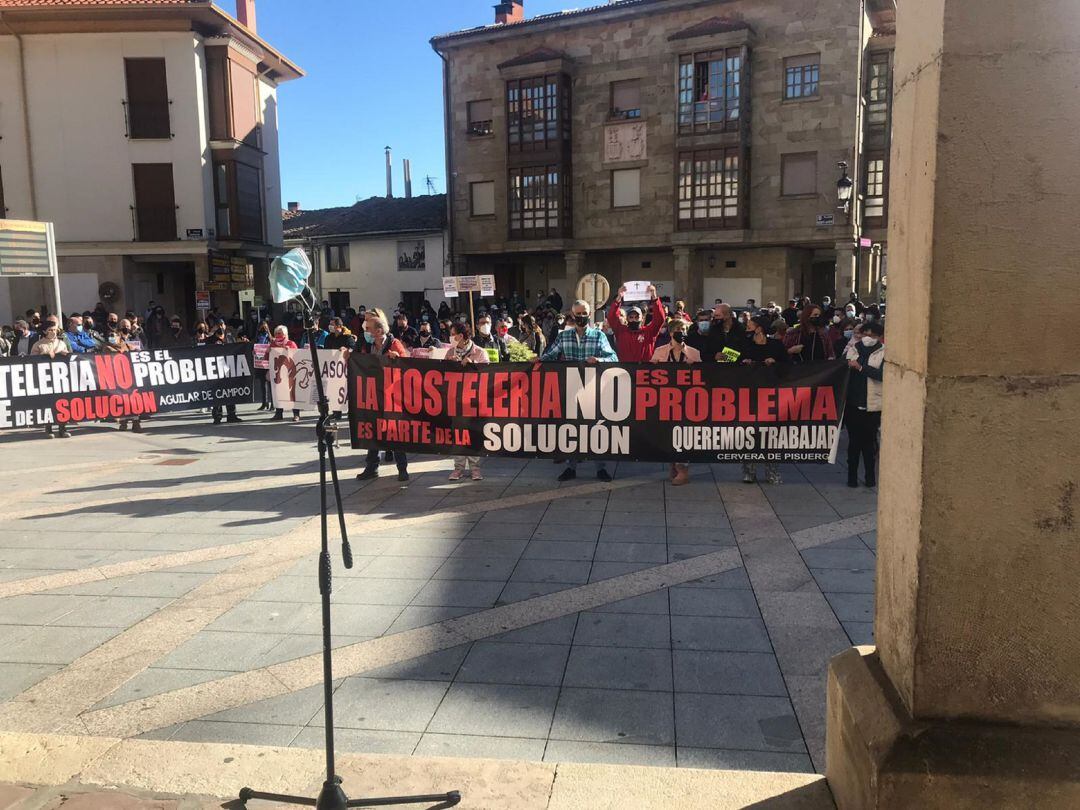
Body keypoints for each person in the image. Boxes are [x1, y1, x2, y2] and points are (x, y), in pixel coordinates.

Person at [542, 299, 618, 481]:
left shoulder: (599, 336)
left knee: (595, 428)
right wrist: (537, 361)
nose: (582, 317)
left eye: (585, 314)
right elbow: (550, 355)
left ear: (590, 315)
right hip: (571, 389)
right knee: (572, 429)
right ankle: (571, 467)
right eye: (578, 314)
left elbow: (613, 357)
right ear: (572, 315)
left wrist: (600, 360)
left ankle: (600, 467)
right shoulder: (563, 336)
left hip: (593, 390)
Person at [356, 313, 410, 482]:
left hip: (392, 395)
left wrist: (398, 358)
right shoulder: (366, 344)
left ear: (379, 331)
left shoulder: (394, 343)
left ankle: (402, 469)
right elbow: (356, 358)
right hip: (373, 394)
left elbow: (407, 361)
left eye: (369, 329)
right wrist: (347, 355)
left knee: (394, 432)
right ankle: (372, 467)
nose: (366, 332)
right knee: (373, 431)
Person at [651, 317, 701, 485]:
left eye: (685, 330)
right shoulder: (660, 351)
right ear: (672, 333)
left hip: (687, 399)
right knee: (668, 432)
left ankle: (683, 469)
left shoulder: (694, 352)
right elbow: (649, 374)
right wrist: (655, 365)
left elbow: (704, 376)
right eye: (680, 330)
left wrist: (695, 366)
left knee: (684, 432)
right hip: (666, 398)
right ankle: (673, 464)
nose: (683, 333)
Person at [740, 314, 789, 485]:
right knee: (749, 433)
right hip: (750, 394)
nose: (747, 327)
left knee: (772, 434)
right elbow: (728, 360)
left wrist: (775, 361)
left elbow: (788, 364)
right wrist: (742, 362)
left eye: (750, 324)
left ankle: (772, 472)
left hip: (772, 394)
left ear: (759, 328)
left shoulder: (776, 345)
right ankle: (749, 471)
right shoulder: (744, 344)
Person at [444, 322, 489, 481]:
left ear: (461, 336)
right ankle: (458, 468)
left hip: (474, 401)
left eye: (453, 334)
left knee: (474, 434)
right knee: (458, 434)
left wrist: (472, 365)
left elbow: (488, 374)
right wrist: (449, 364)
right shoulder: (450, 351)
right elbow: (444, 375)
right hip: (456, 401)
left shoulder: (479, 352)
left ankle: (475, 468)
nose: (451, 338)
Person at [844, 320, 884, 488]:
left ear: (879, 337)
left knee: (869, 444)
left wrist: (861, 368)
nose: (867, 338)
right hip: (853, 403)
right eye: (865, 334)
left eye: (872, 335)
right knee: (853, 443)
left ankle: (870, 478)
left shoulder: (883, 353)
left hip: (872, 405)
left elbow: (881, 375)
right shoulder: (853, 349)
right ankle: (851, 478)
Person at [607, 284, 665, 362]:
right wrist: (618, 298)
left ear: (642, 319)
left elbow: (660, 319)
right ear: (627, 319)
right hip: (625, 371)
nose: (634, 319)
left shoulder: (649, 332)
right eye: (631, 317)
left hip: (644, 371)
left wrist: (654, 298)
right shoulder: (621, 331)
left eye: (637, 317)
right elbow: (612, 317)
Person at [32, 323, 71, 438]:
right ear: (44, 331)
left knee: (62, 403)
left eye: (54, 330)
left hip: (60, 378)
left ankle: (62, 428)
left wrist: (65, 354)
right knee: (48, 403)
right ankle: (48, 428)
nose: (53, 332)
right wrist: (44, 355)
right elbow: (32, 360)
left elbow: (69, 357)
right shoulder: (38, 345)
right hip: (45, 378)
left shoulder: (62, 343)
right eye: (50, 330)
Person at [205, 321, 241, 424]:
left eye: (222, 325)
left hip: (229, 369)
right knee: (218, 394)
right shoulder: (210, 339)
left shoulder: (229, 337)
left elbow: (234, 347)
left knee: (230, 392)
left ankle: (232, 415)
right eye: (218, 325)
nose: (221, 327)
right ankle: (217, 416)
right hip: (216, 370)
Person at [267, 326, 302, 422]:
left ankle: (296, 414)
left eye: (280, 333)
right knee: (278, 393)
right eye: (276, 333)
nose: (278, 335)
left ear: (285, 334)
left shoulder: (291, 344)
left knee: (292, 393)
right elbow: (267, 359)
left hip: (290, 372)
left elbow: (298, 356)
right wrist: (267, 352)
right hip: (278, 374)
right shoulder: (272, 344)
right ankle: (278, 413)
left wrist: (289, 351)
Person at [254, 321, 273, 410]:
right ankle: (264, 403)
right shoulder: (257, 337)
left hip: (268, 362)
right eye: (261, 327)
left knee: (270, 384)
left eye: (264, 327)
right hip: (260, 362)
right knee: (262, 383)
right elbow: (254, 346)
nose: (263, 329)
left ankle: (273, 403)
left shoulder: (270, 338)